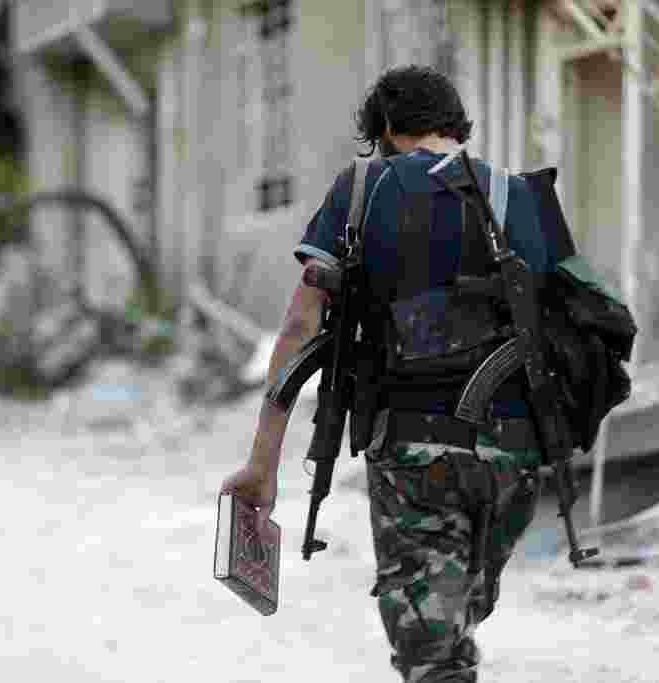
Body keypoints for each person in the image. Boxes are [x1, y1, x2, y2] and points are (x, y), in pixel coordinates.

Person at [221, 65, 561, 682]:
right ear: (454, 125)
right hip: (515, 462)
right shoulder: (518, 194)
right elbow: (569, 326)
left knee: (434, 656)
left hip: (415, 455)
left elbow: (299, 332)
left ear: (384, 129)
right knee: (456, 623)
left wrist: (262, 463)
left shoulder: (361, 190)